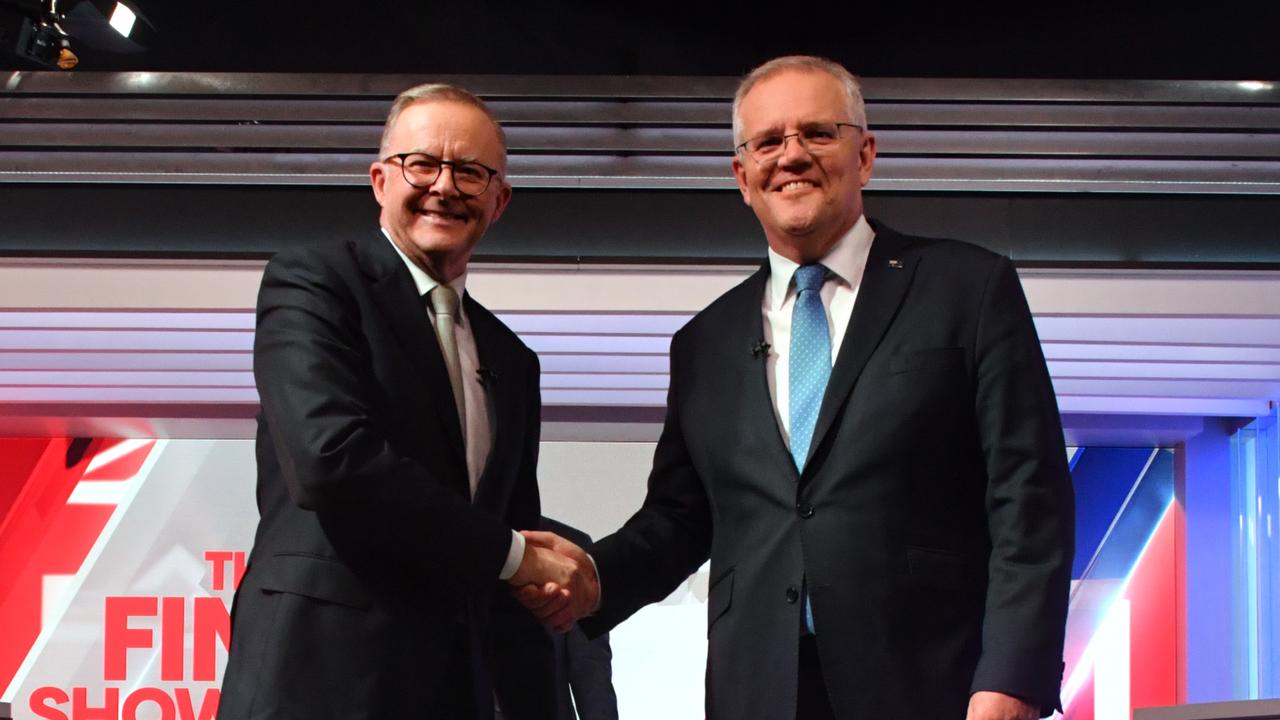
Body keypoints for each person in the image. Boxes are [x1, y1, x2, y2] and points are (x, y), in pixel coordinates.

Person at [522, 56, 1075, 719]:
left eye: (817, 133)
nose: (792, 156)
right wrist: (592, 580)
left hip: (932, 683)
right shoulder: (705, 342)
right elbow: (679, 520)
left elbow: (1030, 497)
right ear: (742, 176)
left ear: (864, 155)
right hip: (759, 688)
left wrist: (1012, 676)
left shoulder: (967, 289)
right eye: (768, 141)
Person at [218, 83, 593, 720]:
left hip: (453, 688)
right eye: (422, 164)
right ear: (380, 181)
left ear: (499, 201)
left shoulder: (513, 359)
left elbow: (506, 530)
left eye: (471, 172)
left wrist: (563, 580)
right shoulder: (314, 283)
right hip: (316, 682)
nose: (445, 186)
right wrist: (518, 558)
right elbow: (332, 462)